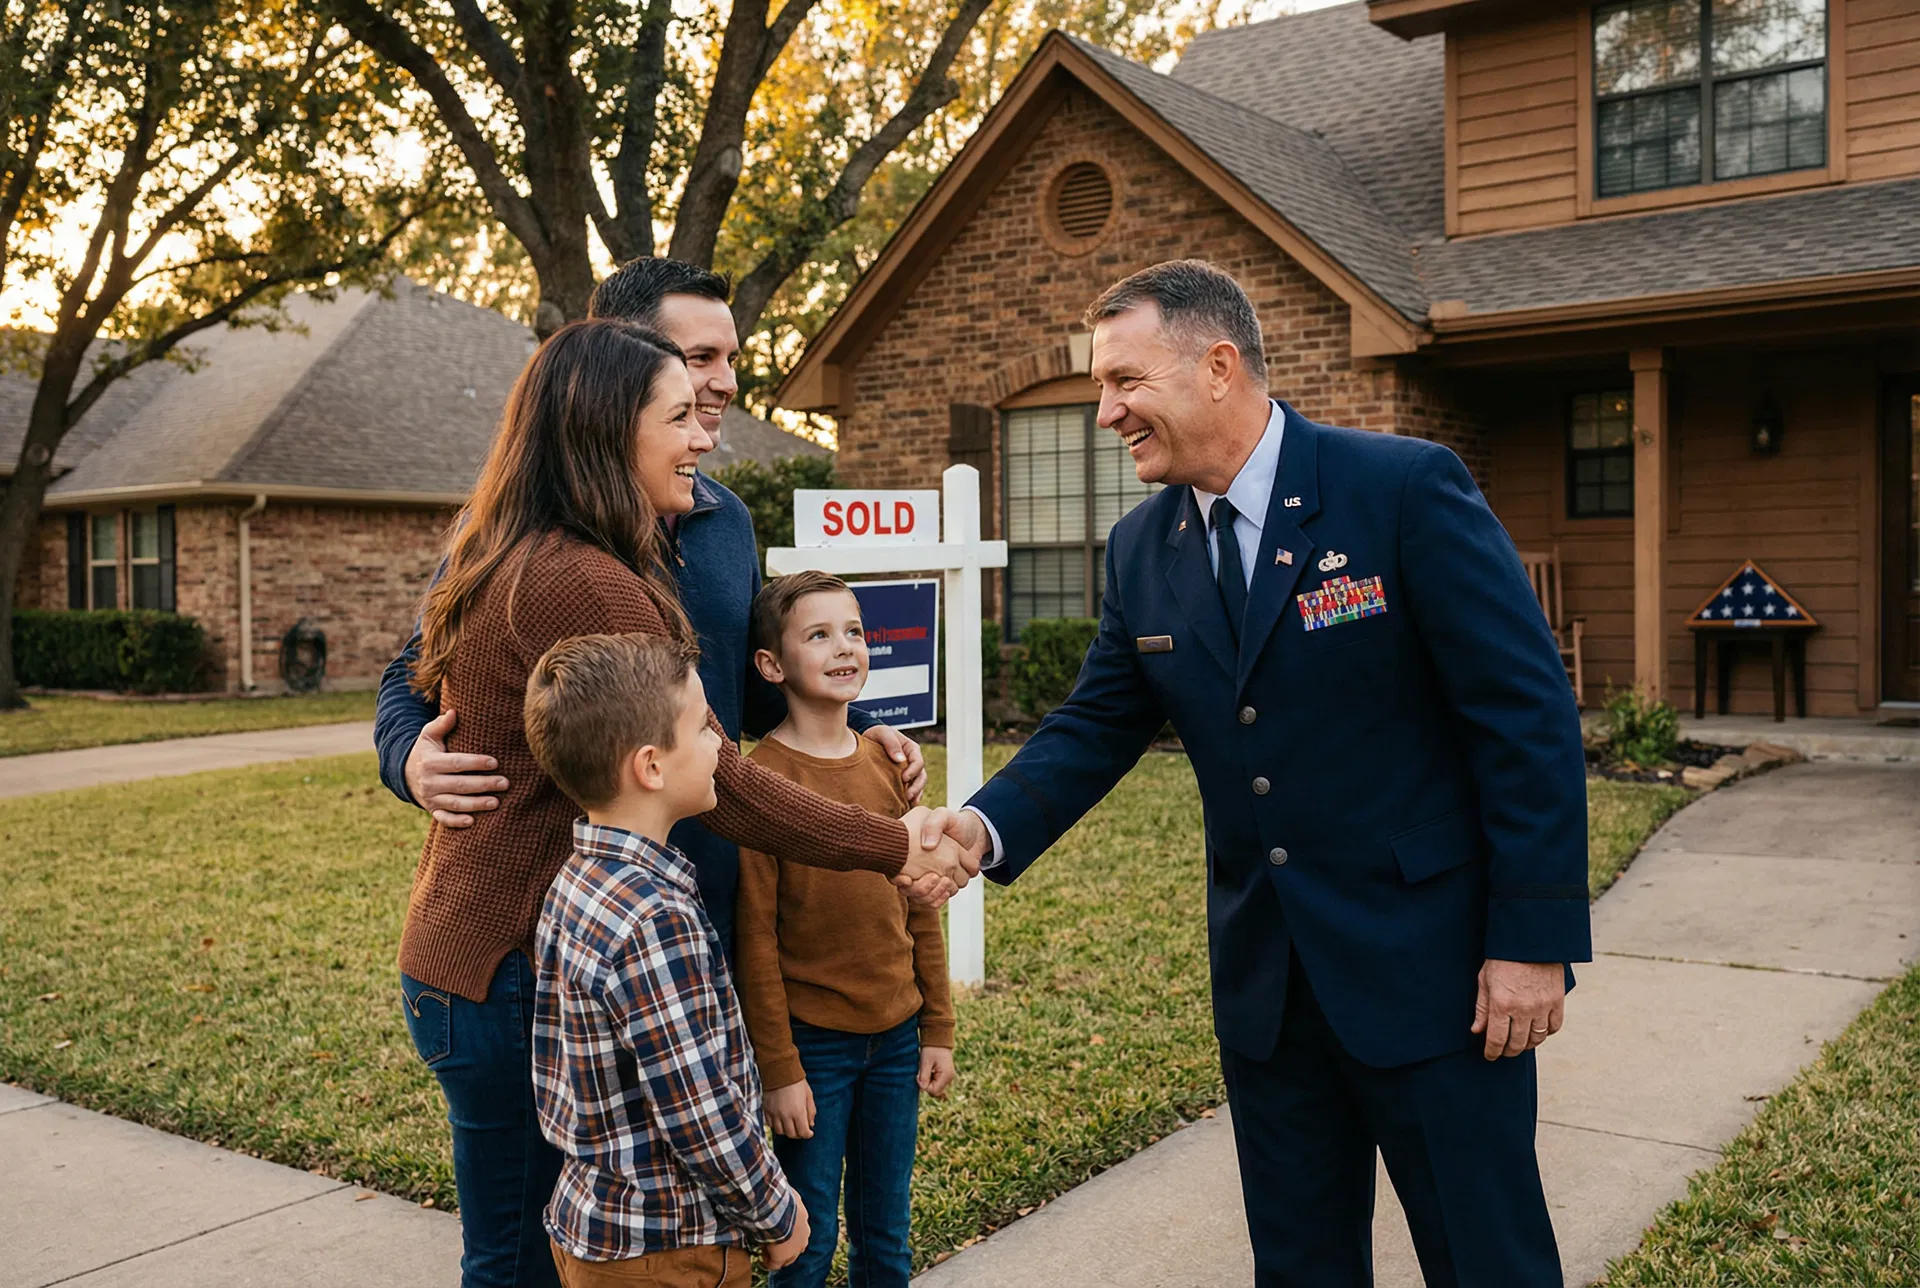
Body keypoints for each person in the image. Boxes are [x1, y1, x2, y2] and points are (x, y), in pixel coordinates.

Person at [928, 260, 1590, 1287]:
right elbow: (1097, 723)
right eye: (1102, 387)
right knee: (1300, 1266)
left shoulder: (1400, 490)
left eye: (1125, 381)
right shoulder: (1141, 547)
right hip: (1268, 993)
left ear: (1218, 367)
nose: (1106, 412)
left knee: (1486, 1260)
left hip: (1436, 976)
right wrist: (980, 827)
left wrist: (1533, 943)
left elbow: (1526, 717)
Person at [395, 318, 975, 1288]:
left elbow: (747, 699)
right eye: (678, 417)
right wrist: (894, 844)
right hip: (501, 968)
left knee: (524, 1251)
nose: (705, 435)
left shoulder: (523, 548)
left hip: (477, 954)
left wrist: (861, 737)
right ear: (607, 431)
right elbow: (723, 780)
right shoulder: (580, 580)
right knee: (522, 1265)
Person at [375, 257, 927, 956]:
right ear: (620, 370)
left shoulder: (725, 519)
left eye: (731, 359)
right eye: (700, 359)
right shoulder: (531, 541)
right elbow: (422, 667)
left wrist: (862, 729)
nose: (725, 382)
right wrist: (407, 758)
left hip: (704, 883)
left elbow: (750, 680)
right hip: (574, 913)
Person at [527, 631, 807, 1288]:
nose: (719, 745)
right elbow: (698, 1111)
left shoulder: (578, 881)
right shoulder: (654, 917)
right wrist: (776, 1214)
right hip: (670, 1250)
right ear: (651, 767)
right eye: (704, 728)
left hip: (595, 1229)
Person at [732, 571, 956, 1288]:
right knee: (808, 1238)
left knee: (886, 1233)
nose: (844, 647)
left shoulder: (888, 765)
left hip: (896, 1038)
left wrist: (937, 1026)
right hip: (814, 1048)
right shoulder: (760, 782)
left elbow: (919, 906)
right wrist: (780, 1070)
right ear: (772, 665)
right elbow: (755, 940)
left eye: (854, 631)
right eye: (819, 635)